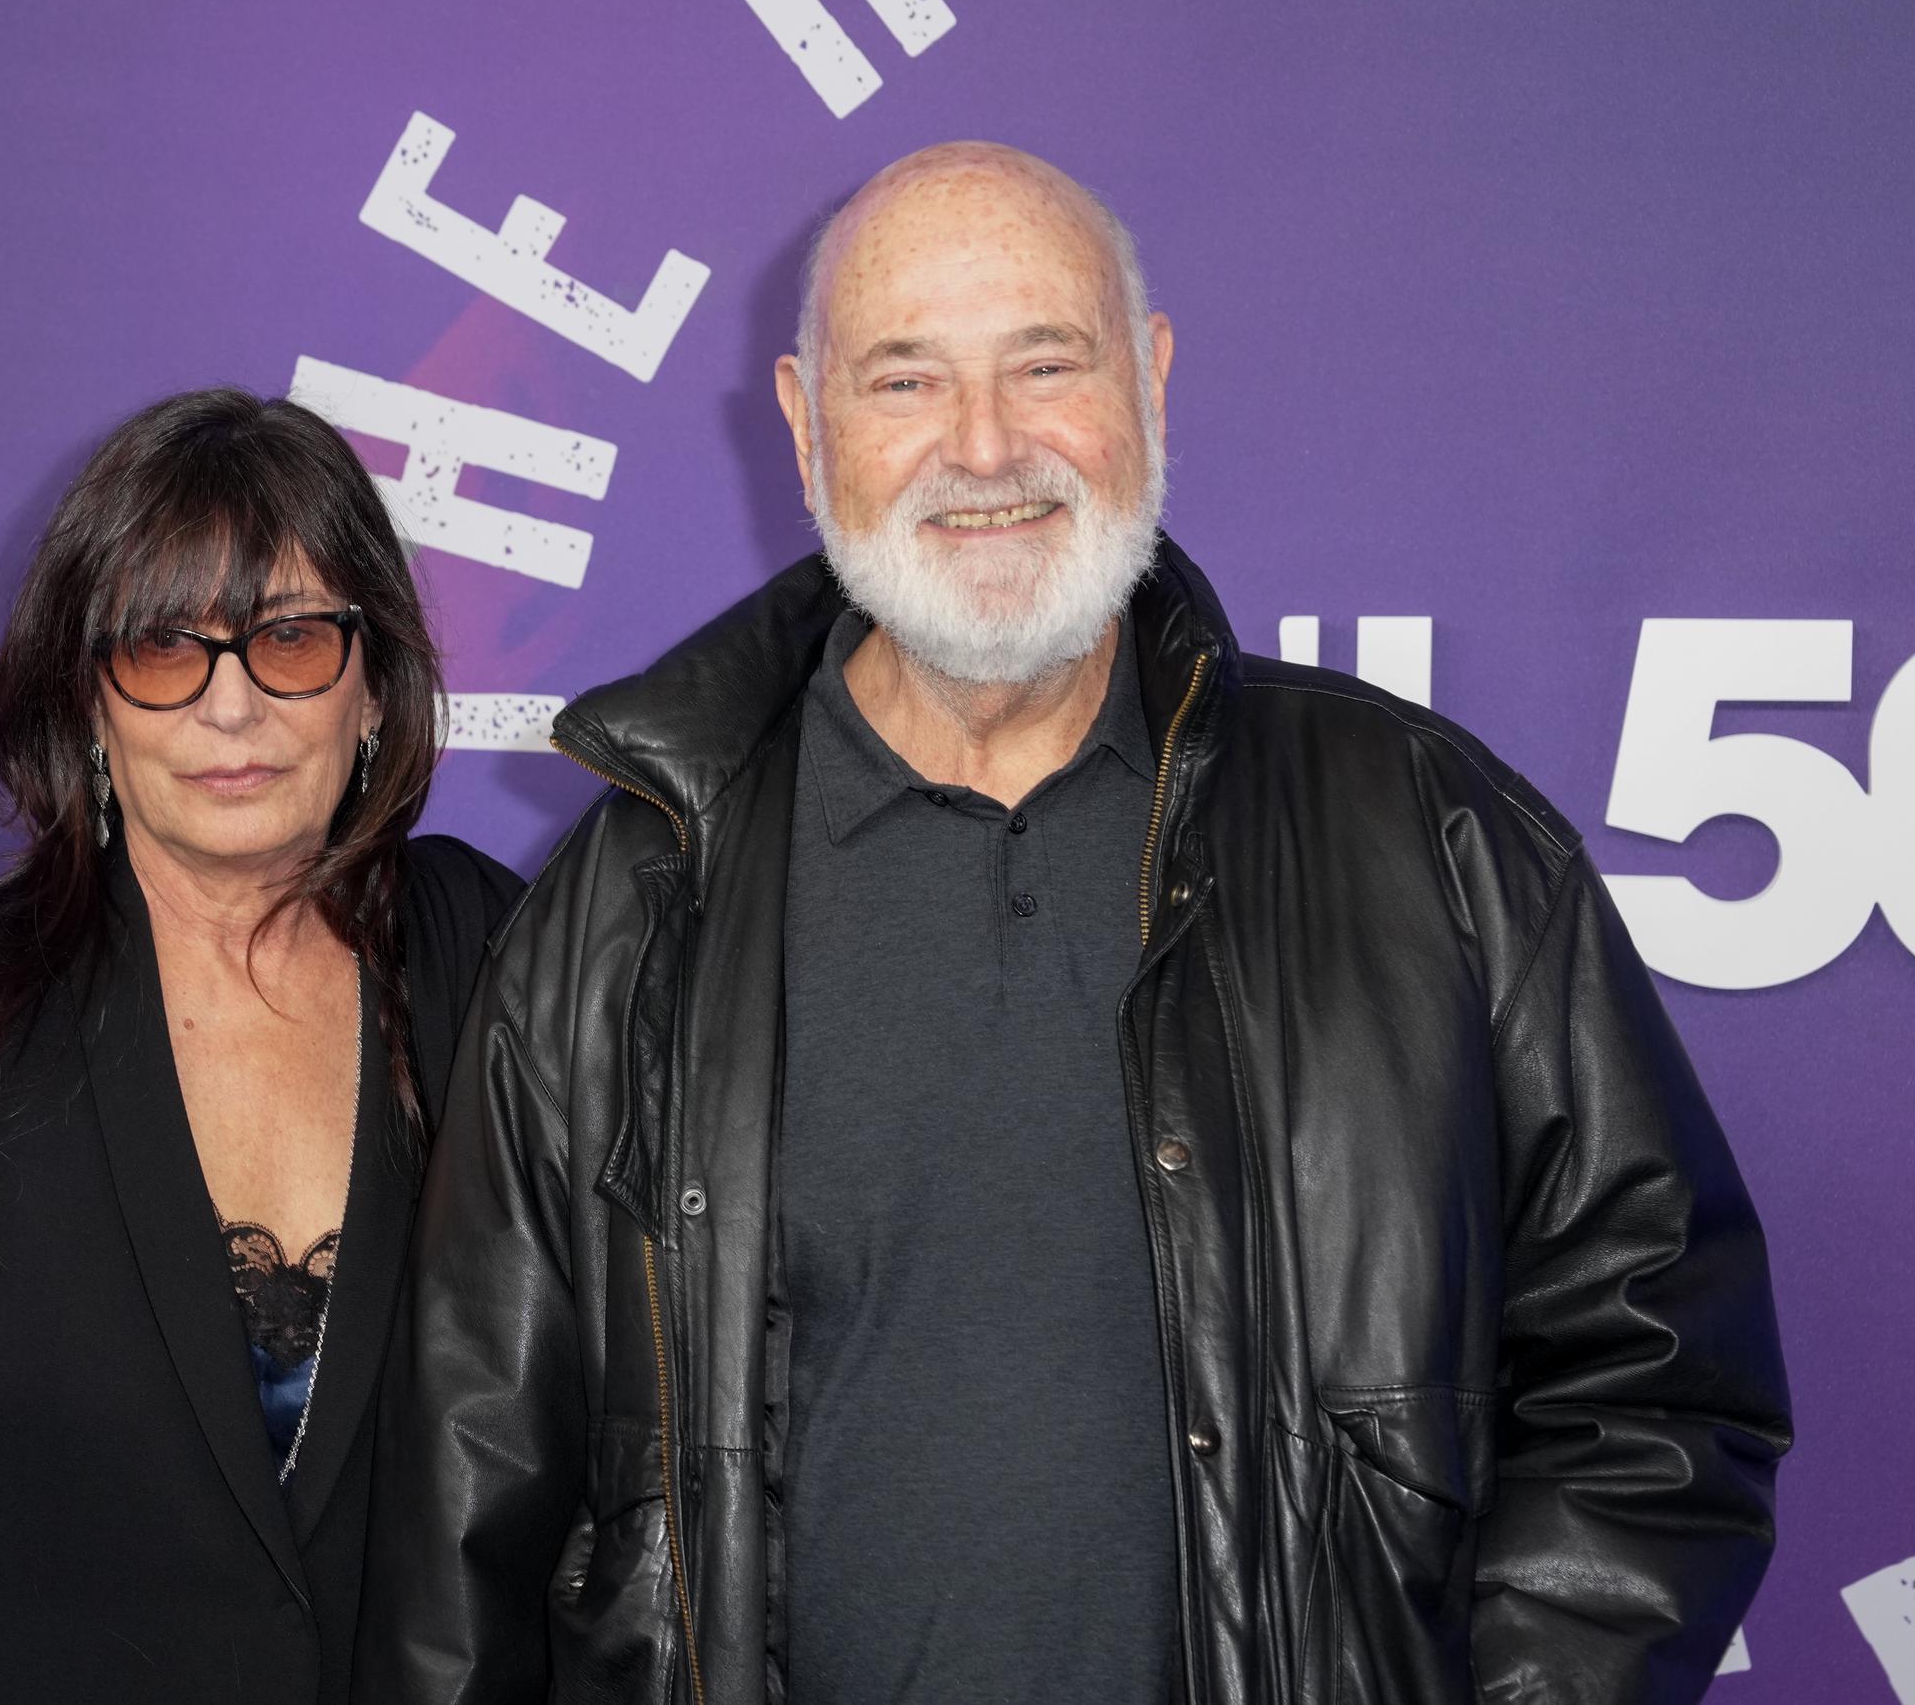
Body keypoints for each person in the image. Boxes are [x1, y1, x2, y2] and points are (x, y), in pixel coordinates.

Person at [352, 144, 1791, 1705]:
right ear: (804, 418)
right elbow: (472, 1492)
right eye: (904, 380)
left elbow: (1660, 1375)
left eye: (1047, 361)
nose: (983, 447)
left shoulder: (1430, 835)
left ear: (1151, 377)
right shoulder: (629, 907)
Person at [0, 389, 520, 1704]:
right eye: (162, 647)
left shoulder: (487, 961)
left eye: (293, 638)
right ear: (88, 699)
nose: (232, 703)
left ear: (374, 688)